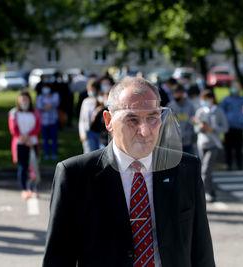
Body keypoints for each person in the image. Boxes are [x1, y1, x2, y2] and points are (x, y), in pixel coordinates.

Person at [43, 77, 215, 267]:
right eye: (132, 119)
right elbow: (58, 258)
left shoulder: (185, 169)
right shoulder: (75, 175)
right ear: (108, 121)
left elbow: (202, 251)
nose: (145, 131)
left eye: (153, 117)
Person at [194, 90, 228, 202]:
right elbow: (195, 128)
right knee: (205, 171)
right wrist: (201, 127)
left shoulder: (218, 111)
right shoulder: (200, 111)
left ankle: (205, 193)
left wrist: (213, 128)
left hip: (214, 144)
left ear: (211, 99)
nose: (203, 102)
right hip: (201, 143)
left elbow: (225, 127)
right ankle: (211, 191)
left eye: (206, 100)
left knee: (206, 170)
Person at [8, 92, 41, 199]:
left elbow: (38, 127)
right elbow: (13, 129)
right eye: (22, 100)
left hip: (33, 143)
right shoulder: (14, 112)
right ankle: (24, 189)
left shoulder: (35, 112)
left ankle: (33, 188)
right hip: (20, 143)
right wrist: (23, 138)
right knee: (23, 167)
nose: (24, 102)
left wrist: (29, 136)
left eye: (26, 99)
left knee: (33, 167)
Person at [220, 81, 243, 170]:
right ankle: (229, 165)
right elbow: (221, 113)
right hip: (228, 127)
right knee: (228, 148)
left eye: (237, 87)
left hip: (239, 126)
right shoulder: (226, 100)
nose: (235, 89)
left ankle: (239, 165)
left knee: (238, 147)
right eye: (233, 87)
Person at [168, 85, 196, 154]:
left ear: (183, 93)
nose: (175, 96)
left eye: (178, 93)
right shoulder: (170, 105)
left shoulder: (190, 106)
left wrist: (187, 134)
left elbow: (193, 123)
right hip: (173, 143)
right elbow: (167, 124)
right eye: (174, 94)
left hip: (186, 142)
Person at [36, 85, 60, 161]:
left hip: (53, 121)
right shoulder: (40, 97)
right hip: (44, 122)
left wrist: (45, 107)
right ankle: (46, 154)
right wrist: (48, 106)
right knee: (45, 139)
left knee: (54, 139)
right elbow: (39, 107)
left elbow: (55, 103)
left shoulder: (55, 95)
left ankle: (54, 154)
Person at [78, 78, 100, 153]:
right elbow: (82, 119)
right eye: (90, 89)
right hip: (88, 132)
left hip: (99, 132)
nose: (91, 91)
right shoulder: (86, 101)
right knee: (89, 154)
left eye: (93, 89)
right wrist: (82, 133)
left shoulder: (101, 100)